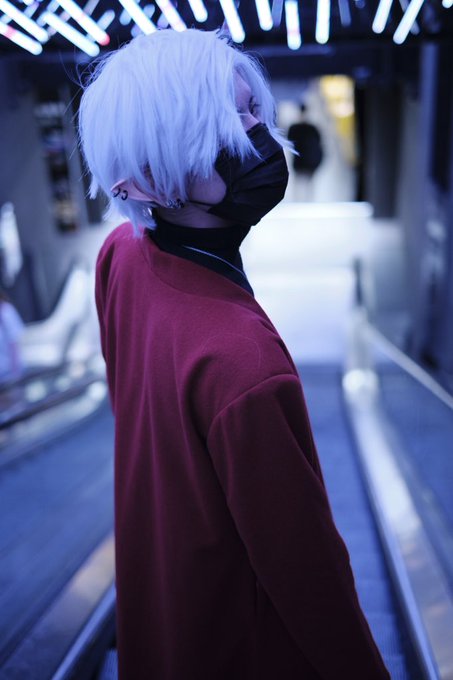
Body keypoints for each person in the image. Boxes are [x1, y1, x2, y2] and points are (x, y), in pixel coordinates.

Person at [79, 29, 390, 680]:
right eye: (221, 130)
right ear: (147, 183)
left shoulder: (121, 259)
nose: (260, 138)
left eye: (251, 109)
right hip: (240, 650)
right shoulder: (243, 363)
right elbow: (307, 573)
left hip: (161, 618)